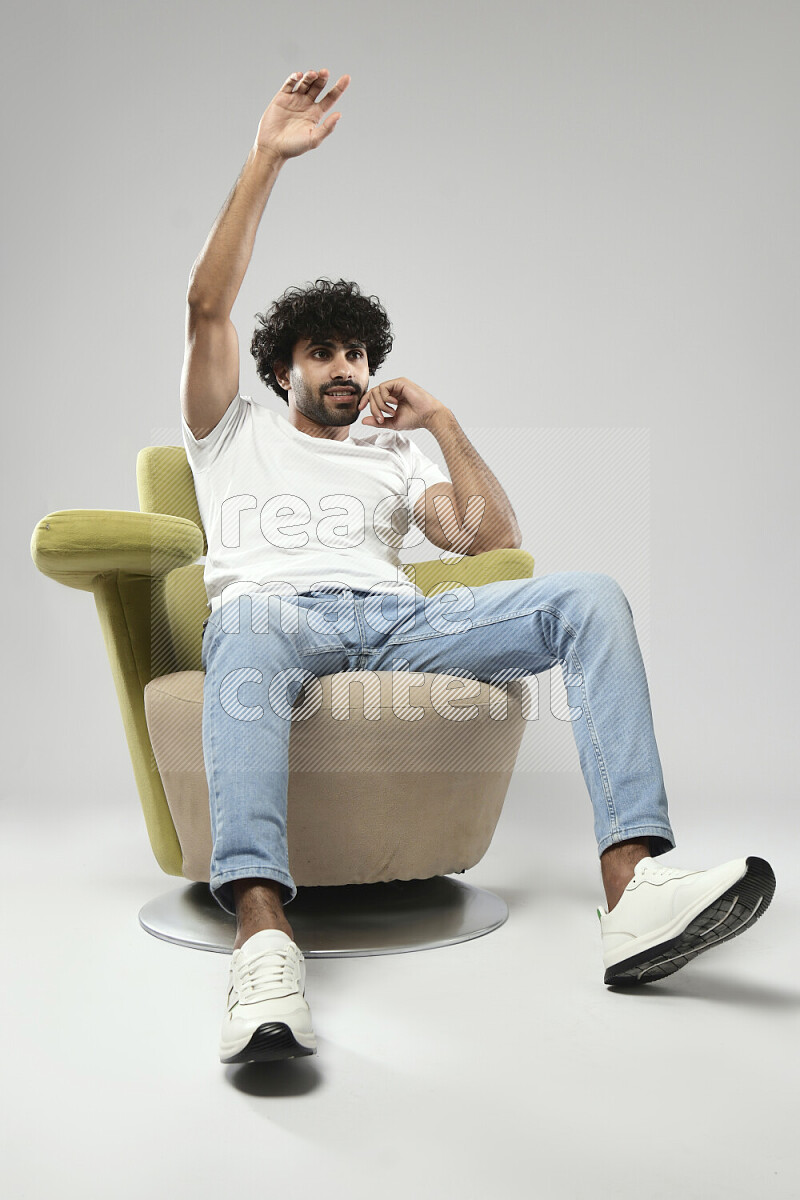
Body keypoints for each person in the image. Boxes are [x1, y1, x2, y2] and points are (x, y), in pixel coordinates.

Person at [180, 68, 776, 1066]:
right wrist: (267, 158)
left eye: (358, 355)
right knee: (239, 622)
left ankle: (632, 892)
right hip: (274, 615)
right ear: (280, 366)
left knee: (584, 596)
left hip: (394, 621)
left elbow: (488, 543)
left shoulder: (392, 453)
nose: (344, 369)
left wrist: (443, 423)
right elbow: (206, 305)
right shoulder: (226, 429)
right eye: (321, 351)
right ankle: (262, 936)